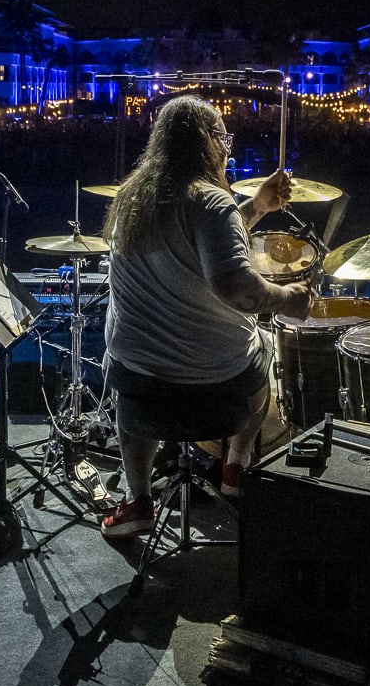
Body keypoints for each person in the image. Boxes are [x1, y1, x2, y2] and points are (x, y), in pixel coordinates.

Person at [97, 96, 310, 539]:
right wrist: (288, 298)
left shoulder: (133, 198)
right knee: (265, 344)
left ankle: (138, 499)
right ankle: (235, 467)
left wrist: (257, 206)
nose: (228, 151)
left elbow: (195, 246)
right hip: (218, 387)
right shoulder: (211, 202)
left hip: (139, 384)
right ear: (209, 142)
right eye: (224, 140)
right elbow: (237, 287)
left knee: (122, 363)